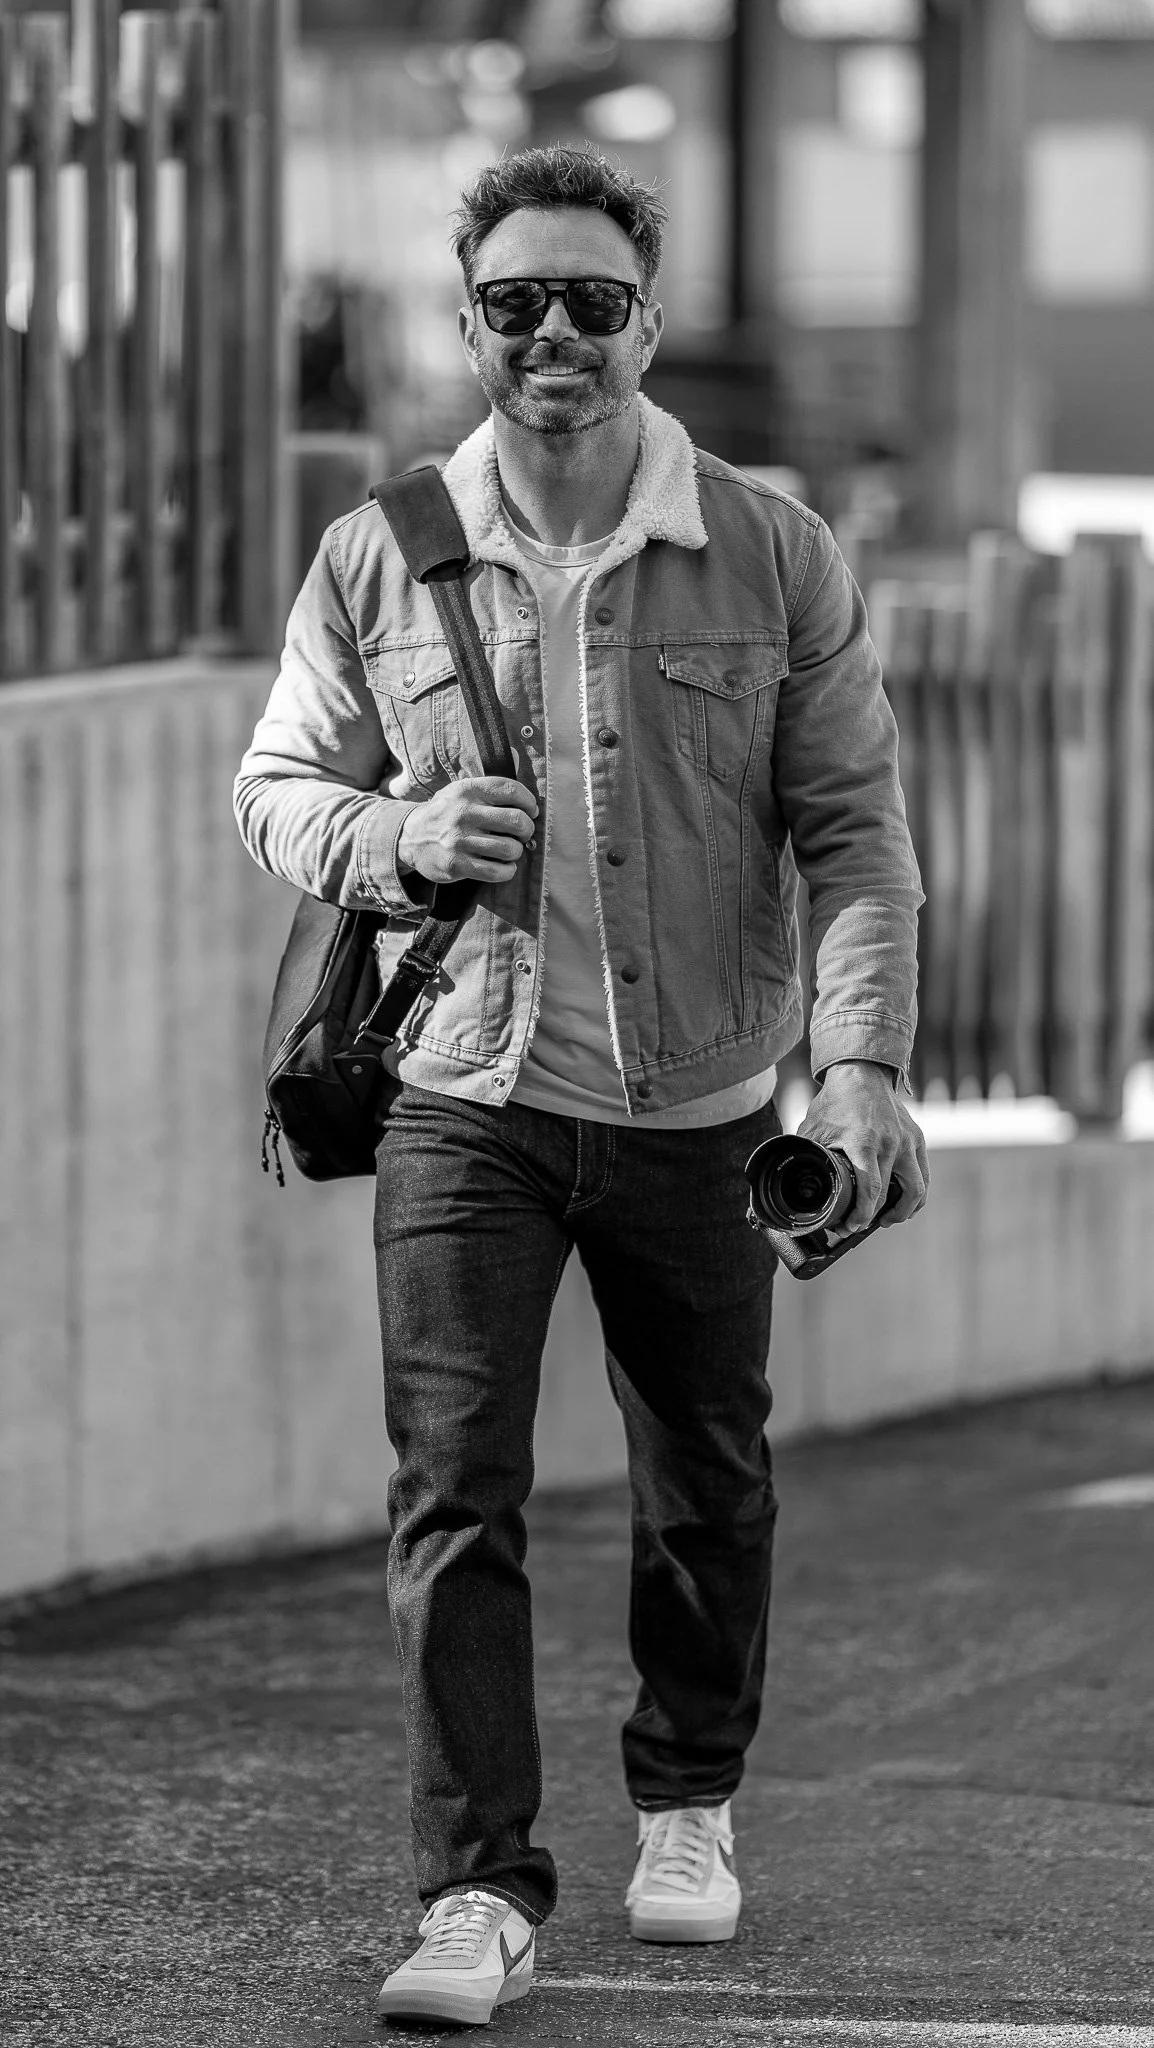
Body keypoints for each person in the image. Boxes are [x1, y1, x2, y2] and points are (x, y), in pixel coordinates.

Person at [234, 145, 929, 2029]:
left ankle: (687, 1800)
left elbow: (855, 838)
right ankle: (478, 1893)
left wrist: (854, 1067)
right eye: (516, 302)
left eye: (595, 301)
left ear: (645, 316)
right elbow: (274, 783)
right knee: (452, 1488)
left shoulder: (772, 551)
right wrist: (396, 833)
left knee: (705, 1476)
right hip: (467, 1091)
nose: (556, 334)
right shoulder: (382, 545)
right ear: (469, 325)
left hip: (704, 1097)